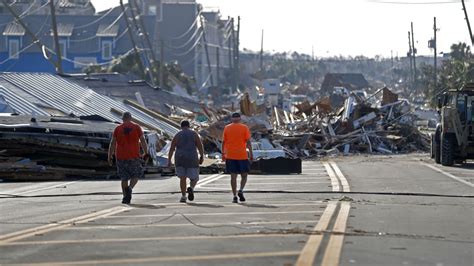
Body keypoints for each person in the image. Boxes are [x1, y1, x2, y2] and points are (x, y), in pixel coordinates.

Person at [108, 112, 148, 204]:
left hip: (121, 156)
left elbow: (113, 143)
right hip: (134, 156)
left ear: (122, 119)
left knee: (124, 178)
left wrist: (109, 155)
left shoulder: (118, 128)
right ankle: (129, 189)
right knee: (136, 175)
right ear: (130, 118)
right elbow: (142, 140)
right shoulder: (137, 127)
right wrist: (146, 152)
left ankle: (125, 197)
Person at [168, 120, 204, 203]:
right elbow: (199, 145)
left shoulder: (177, 135)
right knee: (195, 177)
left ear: (181, 126)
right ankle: (191, 188)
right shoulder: (194, 134)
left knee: (182, 178)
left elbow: (172, 148)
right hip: (192, 157)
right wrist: (201, 156)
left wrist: (169, 160)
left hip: (180, 158)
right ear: (189, 126)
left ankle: (183, 196)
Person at [222, 112, 253, 203]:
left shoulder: (227, 128)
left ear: (232, 119)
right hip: (242, 155)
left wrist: (223, 153)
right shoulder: (244, 128)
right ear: (240, 118)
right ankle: (241, 190)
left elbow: (224, 142)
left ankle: (234, 196)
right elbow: (248, 142)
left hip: (231, 155)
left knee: (233, 176)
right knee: (244, 175)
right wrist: (251, 154)